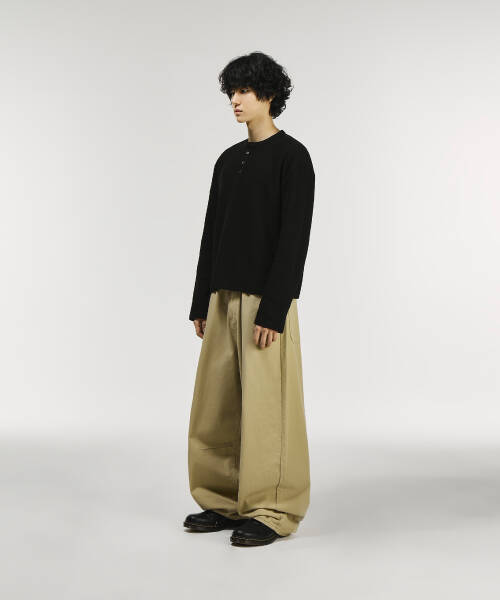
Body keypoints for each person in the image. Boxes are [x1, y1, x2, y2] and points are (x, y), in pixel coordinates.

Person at [184, 51, 315, 547]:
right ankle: (222, 499)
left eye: (244, 91)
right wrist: (201, 300)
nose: (235, 101)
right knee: (217, 406)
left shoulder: (293, 158)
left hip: (266, 302)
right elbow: (211, 233)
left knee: (268, 408)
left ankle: (273, 508)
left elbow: (294, 239)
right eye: (231, 92)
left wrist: (275, 310)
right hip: (223, 298)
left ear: (269, 95)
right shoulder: (227, 160)